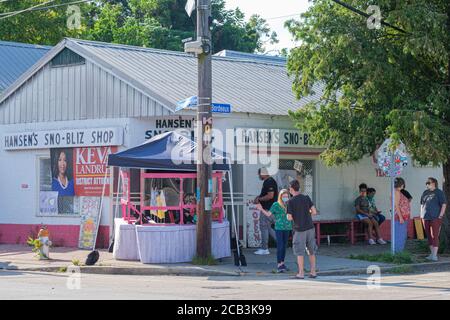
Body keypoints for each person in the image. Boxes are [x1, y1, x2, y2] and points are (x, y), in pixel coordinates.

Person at [286, 180, 317, 279]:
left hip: (299, 229)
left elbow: (289, 217)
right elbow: (314, 212)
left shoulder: (290, 201)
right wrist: (306, 214)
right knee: (311, 251)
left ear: (291, 189)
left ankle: (301, 273)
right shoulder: (306, 198)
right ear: (298, 188)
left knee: (300, 252)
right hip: (310, 227)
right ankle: (313, 272)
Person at [256, 189, 293, 273]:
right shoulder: (276, 205)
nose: (285, 198)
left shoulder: (289, 204)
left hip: (287, 227)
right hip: (279, 228)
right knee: (280, 246)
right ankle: (279, 264)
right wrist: (261, 209)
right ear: (280, 197)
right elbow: (269, 214)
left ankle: (282, 263)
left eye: (286, 196)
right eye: (283, 196)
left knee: (284, 246)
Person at [421, 177, 447, 261]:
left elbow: (443, 204)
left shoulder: (439, 192)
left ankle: (435, 255)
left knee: (434, 235)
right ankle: (431, 254)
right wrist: (421, 214)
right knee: (428, 236)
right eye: (426, 183)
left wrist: (440, 216)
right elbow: (422, 204)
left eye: (428, 183)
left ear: (433, 183)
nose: (427, 185)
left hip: (435, 217)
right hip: (425, 217)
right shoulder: (425, 192)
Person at [253, 167, 278, 255]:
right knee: (267, 227)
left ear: (263, 173)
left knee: (264, 227)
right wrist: (258, 197)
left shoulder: (269, 182)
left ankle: (264, 249)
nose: (259, 176)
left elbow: (270, 196)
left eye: (259, 174)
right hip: (270, 208)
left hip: (268, 208)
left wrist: (259, 199)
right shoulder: (268, 181)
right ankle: (281, 242)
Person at [393, 178, 411, 253]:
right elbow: (396, 205)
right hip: (400, 217)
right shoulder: (397, 192)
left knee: (401, 234)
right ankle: (398, 252)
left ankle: (399, 251)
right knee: (400, 235)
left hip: (403, 216)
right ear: (402, 184)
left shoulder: (397, 192)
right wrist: (400, 217)